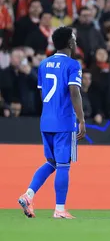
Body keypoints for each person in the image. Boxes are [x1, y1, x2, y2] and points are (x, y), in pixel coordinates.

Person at [18, 26, 86, 219]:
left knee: (52, 162)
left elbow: (42, 93)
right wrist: (81, 119)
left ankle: (28, 195)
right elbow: (74, 92)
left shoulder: (44, 64)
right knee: (64, 165)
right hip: (64, 121)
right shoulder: (73, 65)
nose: (75, 41)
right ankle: (60, 209)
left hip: (46, 120)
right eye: (73, 38)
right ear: (70, 43)